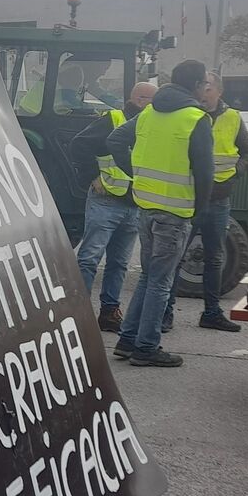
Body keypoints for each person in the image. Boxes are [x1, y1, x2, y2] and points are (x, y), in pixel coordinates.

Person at [107, 60, 215, 368]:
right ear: (196, 85)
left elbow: (115, 140)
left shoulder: (149, 113)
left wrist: (135, 175)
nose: (206, 89)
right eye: (205, 84)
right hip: (176, 210)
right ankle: (146, 347)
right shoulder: (196, 119)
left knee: (148, 277)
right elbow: (205, 173)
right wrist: (201, 210)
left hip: (146, 205)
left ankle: (128, 340)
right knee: (160, 282)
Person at [70, 81, 158, 331]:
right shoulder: (113, 119)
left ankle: (109, 312)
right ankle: (80, 315)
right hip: (106, 200)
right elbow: (79, 144)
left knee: (119, 263)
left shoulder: (148, 124)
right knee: (89, 258)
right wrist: (91, 177)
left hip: (132, 203)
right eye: (153, 102)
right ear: (141, 99)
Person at [192, 73, 248, 332]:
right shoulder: (190, 114)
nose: (203, 91)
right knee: (177, 255)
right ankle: (165, 313)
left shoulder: (233, 117)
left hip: (218, 199)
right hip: (190, 197)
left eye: (207, 87)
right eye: (201, 86)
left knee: (215, 257)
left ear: (218, 91)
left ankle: (212, 313)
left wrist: (237, 170)